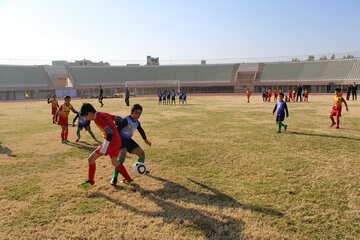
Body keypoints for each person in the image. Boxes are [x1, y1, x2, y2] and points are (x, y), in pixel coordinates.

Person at [78, 103, 134, 188]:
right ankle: (129, 179)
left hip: (111, 142)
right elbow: (118, 118)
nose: (87, 119)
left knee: (91, 159)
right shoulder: (102, 113)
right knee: (115, 162)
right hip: (117, 140)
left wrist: (105, 146)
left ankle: (90, 181)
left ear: (89, 113)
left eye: (86, 117)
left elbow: (109, 133)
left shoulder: (98, 119)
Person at [110, 104, 151, 186]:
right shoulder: (126, 120)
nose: (137, 115)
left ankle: (139, 168)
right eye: (136, 113)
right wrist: (115, 142)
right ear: (131, 112)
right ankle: (114, 178)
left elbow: (141, 131)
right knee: (122, 157)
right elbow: (117, 130)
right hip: (120, 141)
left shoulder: (137, 122)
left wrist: (146, 140)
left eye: (139, 113)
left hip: (128, 140)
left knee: (142, 154)